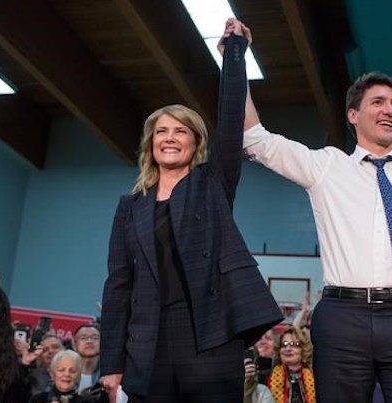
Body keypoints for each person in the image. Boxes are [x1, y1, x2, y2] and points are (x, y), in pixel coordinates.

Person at [229, 18, 392, 402]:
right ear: (353, 115)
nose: (389, 110)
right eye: (377, 102)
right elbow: (256, 139)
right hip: (343, 318)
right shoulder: (327, 166)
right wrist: (237, 62)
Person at [99, 21, 282, 403]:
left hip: (210, 333)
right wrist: (112, 362)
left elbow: (231, 124)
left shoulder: (211, 183)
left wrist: (233, 56)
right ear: (151, 144)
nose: (170, 138)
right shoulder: (130, 207)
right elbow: (118, 286)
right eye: (161, 131)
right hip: (148, 341)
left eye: (180, 131)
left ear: (196, 142)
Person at [266, 326, 316, 403]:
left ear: (303, 349)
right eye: (284, 345)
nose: (288, 349)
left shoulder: (316, 378)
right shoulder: (265, 377)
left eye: (294, 344)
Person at [72, 324, 101, 393]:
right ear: (74, 344)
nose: (89, 341)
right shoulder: (65, 374)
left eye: (95, 338)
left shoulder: (108, 375)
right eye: (83, 338)